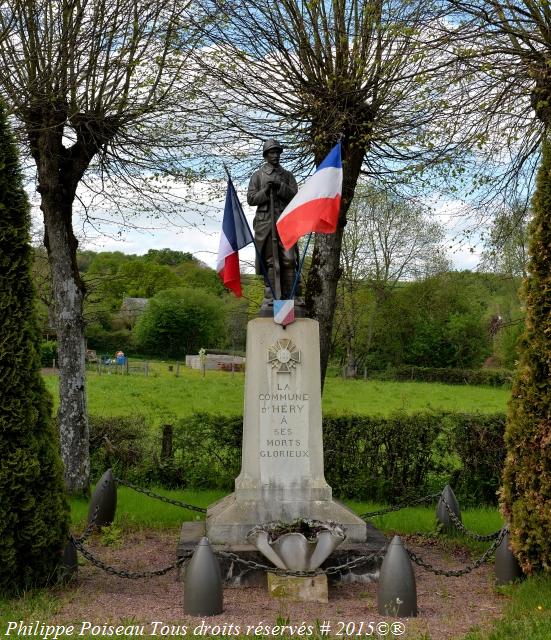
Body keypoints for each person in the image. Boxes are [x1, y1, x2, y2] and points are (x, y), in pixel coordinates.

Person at [247, 139, 299, 309]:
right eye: (272, 152)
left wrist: (280, 186)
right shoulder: (258, 175)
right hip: (265, 223)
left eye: (277, 152)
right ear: (266, 155)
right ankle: (271, 297)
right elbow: (251, 199)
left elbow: (295, 196)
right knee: (271, 261)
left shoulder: (287, 175)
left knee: (289, 259)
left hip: (285, 222)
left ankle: (292, 295)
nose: (275, 155)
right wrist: (266, 191)